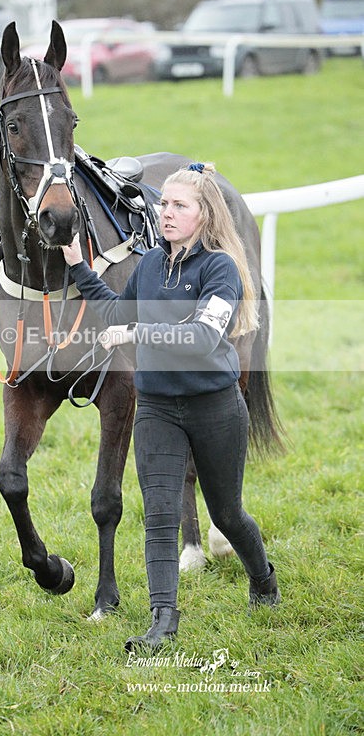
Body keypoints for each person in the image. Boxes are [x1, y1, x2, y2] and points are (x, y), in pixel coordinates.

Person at [61, 162, 280, 652]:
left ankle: (263, 579)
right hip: (157, 408)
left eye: (180, 205)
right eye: (164, 203)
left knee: (228, 515)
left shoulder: (220, 268)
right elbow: (117, 311)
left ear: (205, 215)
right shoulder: (149, 266)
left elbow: (202, 336)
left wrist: (138, 332)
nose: (166, 212)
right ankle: (162, 623)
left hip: (215, 408)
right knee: (160, 516)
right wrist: (79, 266)